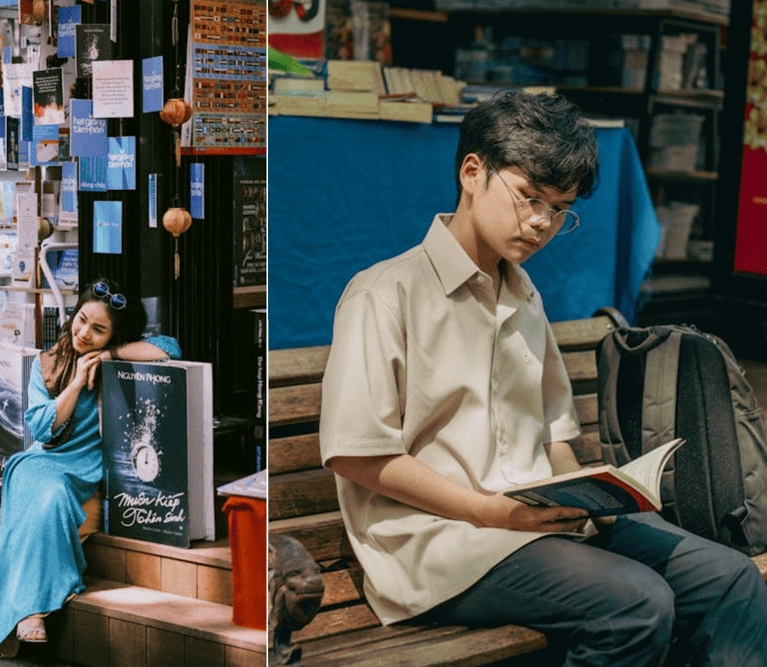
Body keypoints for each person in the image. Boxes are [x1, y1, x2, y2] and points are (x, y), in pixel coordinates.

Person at [318, 90, 767, 665]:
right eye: (529, 198)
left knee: (730, 579)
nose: (541, 224)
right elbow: (357, 454)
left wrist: (588, 493)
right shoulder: (385, 294)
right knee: (636, 602)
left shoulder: (524, 293)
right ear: (472, 171)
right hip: (443, 543)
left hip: (539, 523)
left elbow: (556, 437)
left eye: (560, 209)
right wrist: (489, 511)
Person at [0, 278, 181, 658]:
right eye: (81, 320)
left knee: (30, 531)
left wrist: (111, 356)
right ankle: (31, 611)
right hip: (39, 466)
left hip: (84, 476)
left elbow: (169, 349)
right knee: (48, 498)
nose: (84, 333)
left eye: (99, 330)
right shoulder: (46, 364)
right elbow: (43, 428)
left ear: (114, 336)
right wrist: (78, 382)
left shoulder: (115, 360)